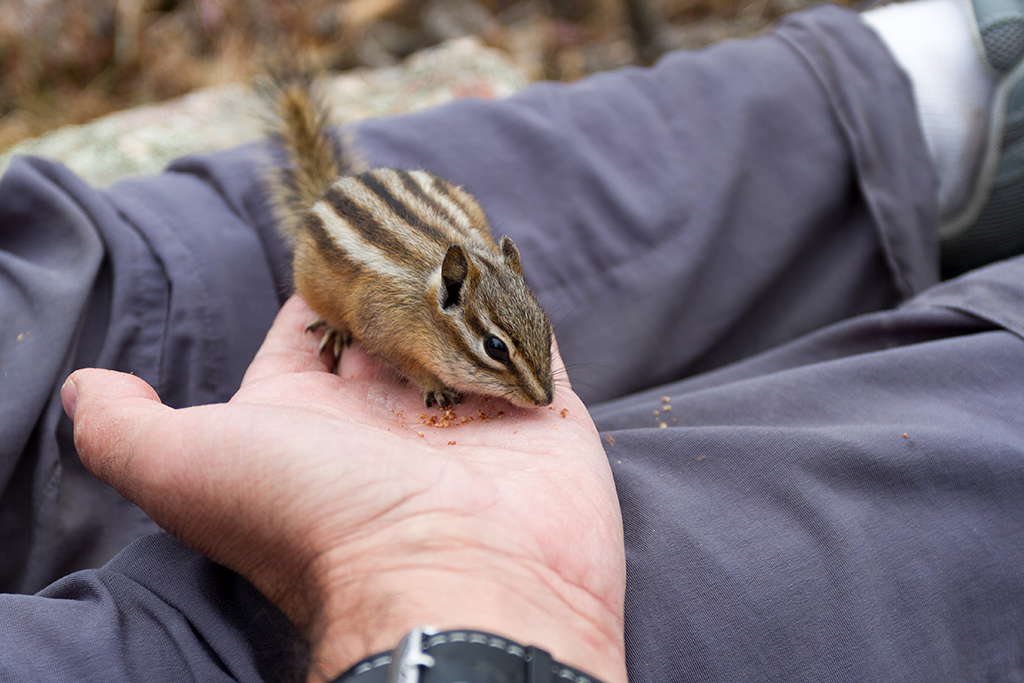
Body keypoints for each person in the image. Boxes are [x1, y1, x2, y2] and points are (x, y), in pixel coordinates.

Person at [2, 0, 1023, 680]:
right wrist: (457, 591)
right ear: (449, 317)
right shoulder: (406, 320)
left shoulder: (476, 288)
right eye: (496, 361)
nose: (530, 386)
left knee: (134, 275)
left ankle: (887, 116)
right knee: (715, 532)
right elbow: (366, 302)